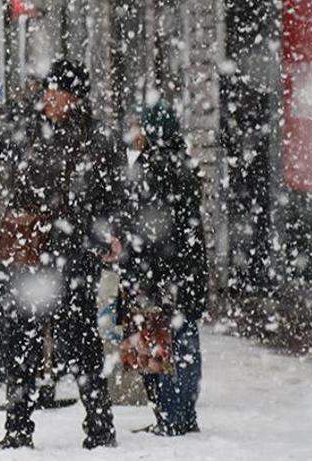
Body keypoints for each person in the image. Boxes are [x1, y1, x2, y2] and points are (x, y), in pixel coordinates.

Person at [0, 59, 123, 450]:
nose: (49, 99)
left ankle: (100, 426)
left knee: (81, 342)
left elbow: (114, 194)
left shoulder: (98, 138)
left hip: (75, 253)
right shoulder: (33, 128)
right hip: (33, 254)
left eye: (58, 92)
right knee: (22, 341)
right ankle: (18, 429)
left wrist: (110, 234)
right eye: (48, 91)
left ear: (76, 96)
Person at [119, 101, 208, 436]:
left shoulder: (154, 167)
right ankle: (181, 415)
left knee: (165, 346)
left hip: (162, 274)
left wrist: (134, 266)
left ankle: (171, 417)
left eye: (140, 126)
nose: (135, 133)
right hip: (183, 272)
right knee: (183, 342)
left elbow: (147, 229)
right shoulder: (182, 161)